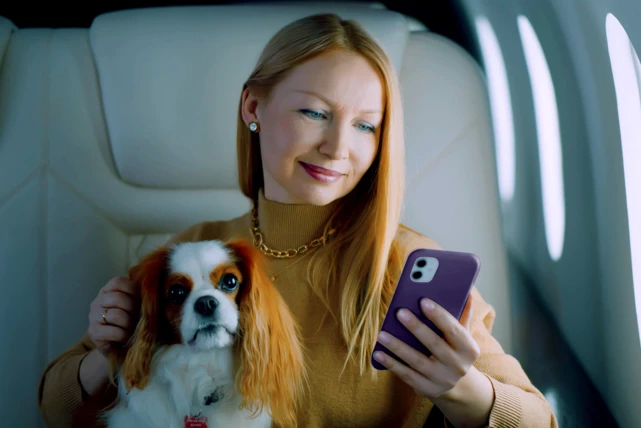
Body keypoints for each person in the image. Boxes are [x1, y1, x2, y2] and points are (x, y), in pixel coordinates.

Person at [38, 13, 558, 428]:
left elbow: (538, 421)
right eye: (314, 113)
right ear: (253, 105)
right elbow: (55, 407)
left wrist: (463, 390)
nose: (337, 147)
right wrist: (106, 357)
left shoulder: (407, 265)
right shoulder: (191, 255)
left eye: (365, 126)